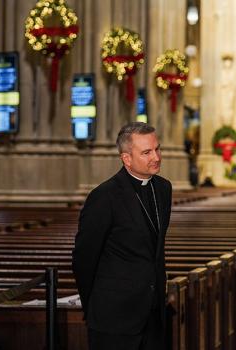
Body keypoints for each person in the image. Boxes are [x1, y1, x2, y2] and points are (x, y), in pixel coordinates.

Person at [72, 122, 173, 350]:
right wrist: (94, 307)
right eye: (146, 152)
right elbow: (83, 259)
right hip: (114, 317)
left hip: (154, 314)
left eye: (157, 149)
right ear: (126, 158)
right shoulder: (103, 197)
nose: (156, 157)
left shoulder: (163, 189)